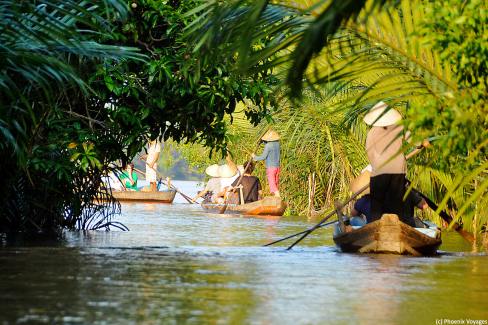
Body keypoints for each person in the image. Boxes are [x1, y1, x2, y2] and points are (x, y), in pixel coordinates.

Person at [364, 101, 423, 227]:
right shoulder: (400, 128)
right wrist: (423, 142)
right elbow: (417, 143)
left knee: (377, 203)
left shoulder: (372, 133)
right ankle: (397, 228)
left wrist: (377, 165)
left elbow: (370, 153)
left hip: (380, 170)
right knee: (396, 203)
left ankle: (375, 227)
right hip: (398, 171)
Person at [252, 129, 281, 197]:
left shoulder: (268, 145)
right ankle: (276, 198)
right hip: (277, 167)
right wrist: (263, 142)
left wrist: (255, 157)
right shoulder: (277, 144)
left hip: (271, 168)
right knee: (276, 183)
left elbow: (263, 157)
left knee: (272, 184)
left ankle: (278, 197)